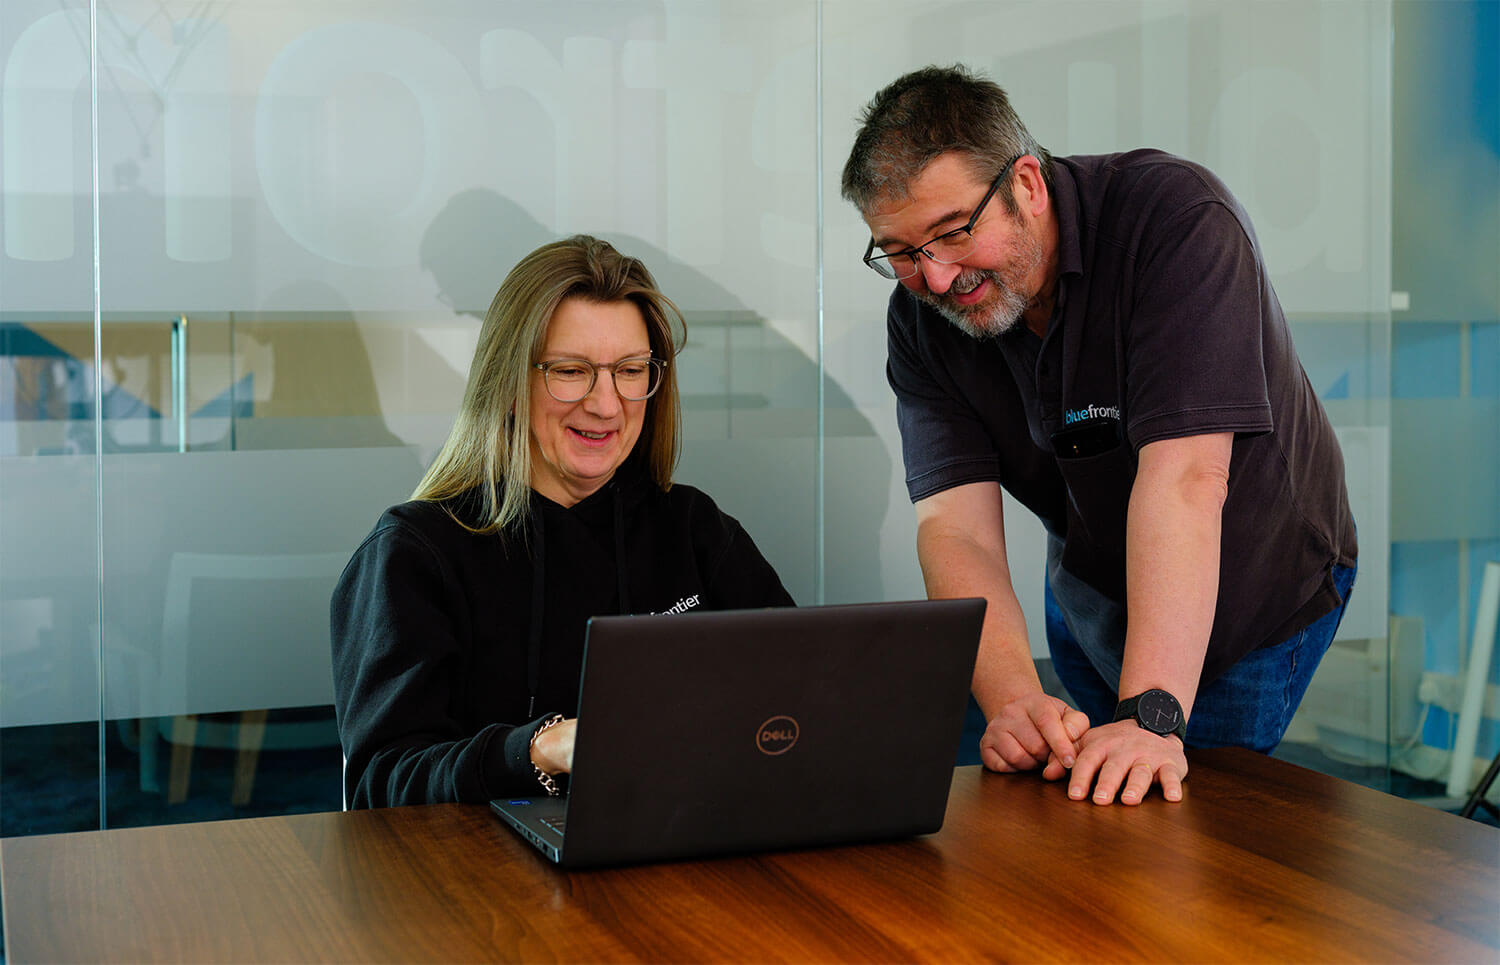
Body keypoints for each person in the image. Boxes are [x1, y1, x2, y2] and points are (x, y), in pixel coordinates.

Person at [841, 65, 1357, 806]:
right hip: (1092, 583)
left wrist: (1150, 713)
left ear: (1027, 184)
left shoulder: (1175, 222)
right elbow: (957, 531)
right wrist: (1014, 697)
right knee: (1081, 817)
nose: (936, 274)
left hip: (1252, 584)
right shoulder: (920, 318)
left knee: (1200, 836)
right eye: (899, 250)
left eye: (952, 232)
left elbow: (1185, 482)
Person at [332, 235, 794, 808]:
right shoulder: (415, 553)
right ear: (508, 381)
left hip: (677, 854)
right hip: (483, 881)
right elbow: (383, 784)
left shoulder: (694, 529)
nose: (606, 404)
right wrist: (539, 750)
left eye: (629, 370)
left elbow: (797, 701)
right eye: (571, 371)